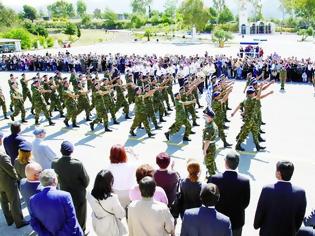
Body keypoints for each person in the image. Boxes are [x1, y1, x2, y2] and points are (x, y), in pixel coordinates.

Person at [254, 161, 307, 236]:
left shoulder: (267, 189)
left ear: (278, 173)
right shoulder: (300, 193)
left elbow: (260, 211)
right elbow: (300, 216)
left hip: (267, 232)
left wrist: (256, 225)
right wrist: (294, 230)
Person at [29, 169, 83, 235]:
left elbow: (34, 223)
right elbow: (72, 220)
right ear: (54, 180)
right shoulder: (65, 196)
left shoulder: (32, 199)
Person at [209, 150, 250, 236]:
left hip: (218, 219)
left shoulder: (214, 178)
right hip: (236, 221)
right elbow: (246, 203)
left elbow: (209, 199)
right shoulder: (245, 181)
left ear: (225, 163)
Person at [52, 141, 90, 233]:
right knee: (81, 213)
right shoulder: (77, 164)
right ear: (72, 151)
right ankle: (81, 231)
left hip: (64, 192)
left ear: (60, 151)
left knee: (68, 213)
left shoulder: (54, 163)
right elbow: (86, 181)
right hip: (78, 194)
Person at [0, 131, 29, 228]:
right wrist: (17, 178)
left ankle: (9, 220)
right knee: (14, 201)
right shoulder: (2, 156)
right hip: (8, 182)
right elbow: (10, 169)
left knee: (3, 201)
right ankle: (19, 222)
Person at [87, 169, 126, 236]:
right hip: (110, 227)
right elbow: (121, 214)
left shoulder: (89, 194)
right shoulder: (112, 198)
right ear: (109, 182)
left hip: (97, 224)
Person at [202, 108, 219, 176]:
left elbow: (207, 141)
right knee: (212, 161)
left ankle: (212, 177)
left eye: (206, 116)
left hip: (209, 148)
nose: (204, 117)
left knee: (208, 164)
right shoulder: (211, 123)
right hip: (212, 147)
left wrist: (204, 150)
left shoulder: (210, 127)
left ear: (210, 117)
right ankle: (214, 171)